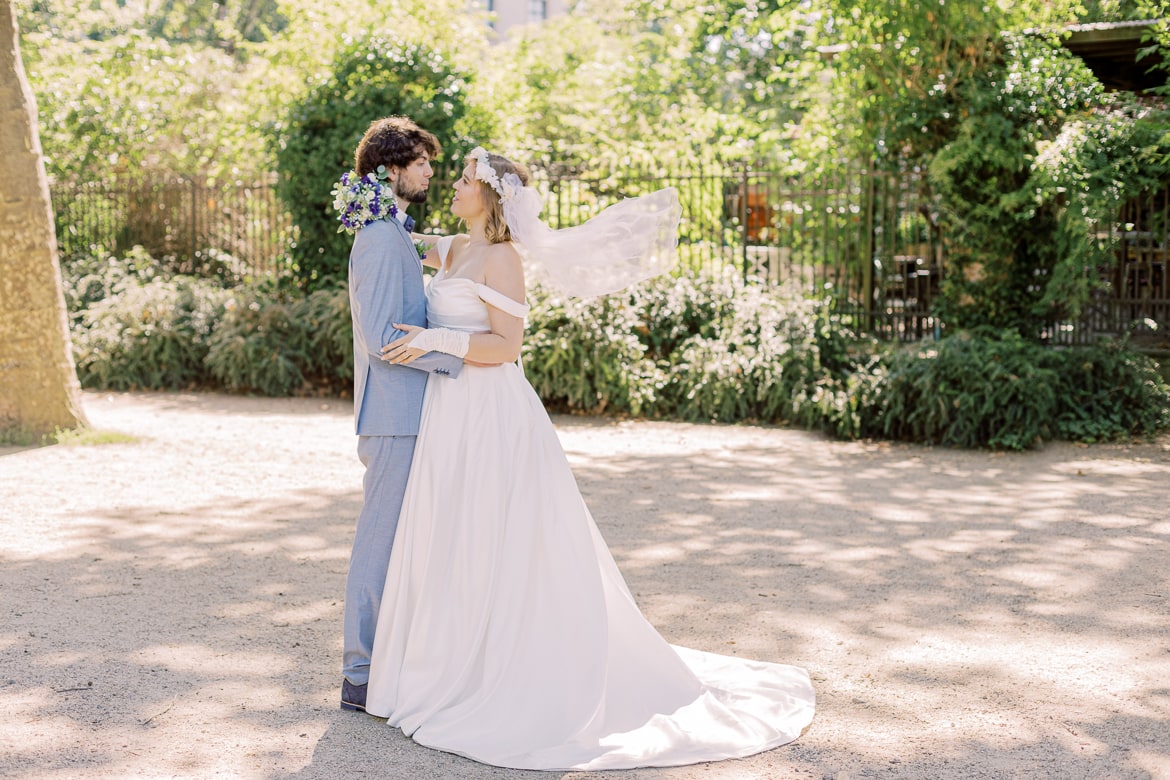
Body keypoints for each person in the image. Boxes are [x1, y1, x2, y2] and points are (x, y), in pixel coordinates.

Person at [366, 148, 815, 770]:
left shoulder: (502, 258)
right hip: (448, 412)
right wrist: (370, 204)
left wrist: (431, 340)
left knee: (499, 535)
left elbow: (505, 345)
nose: (455, 185)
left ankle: (507, 666)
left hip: (490, 412)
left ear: (491, 198)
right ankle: (441, 658)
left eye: (466, 179)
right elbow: (400, 241)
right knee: (452, 532)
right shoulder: (455, 248)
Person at [338, 117, 465, 714]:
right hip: (393, 416)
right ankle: (359, 675)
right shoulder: (382, 239)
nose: (431, 172)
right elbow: (384, 337)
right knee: (380, 543)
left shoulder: (391, 230)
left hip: (407, 412)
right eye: (421, 162)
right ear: (392, 169)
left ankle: (391, 664)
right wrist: (460, 353)